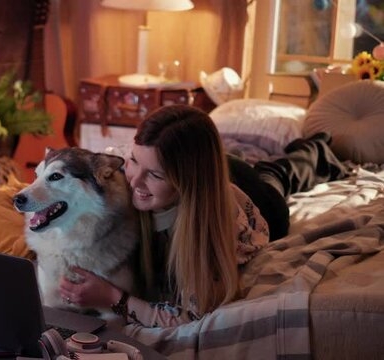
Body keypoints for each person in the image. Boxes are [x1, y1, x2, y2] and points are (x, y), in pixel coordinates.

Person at [58, 104, 348, 328]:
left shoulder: (210, 228)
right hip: (216, 168)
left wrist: (113, 299)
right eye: (134, 160)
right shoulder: (126, 175)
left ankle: (316, 147)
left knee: (277, 175)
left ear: (187, 183)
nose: (134, 182)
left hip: (256, 197)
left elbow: (189, 317)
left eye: (155, 175)